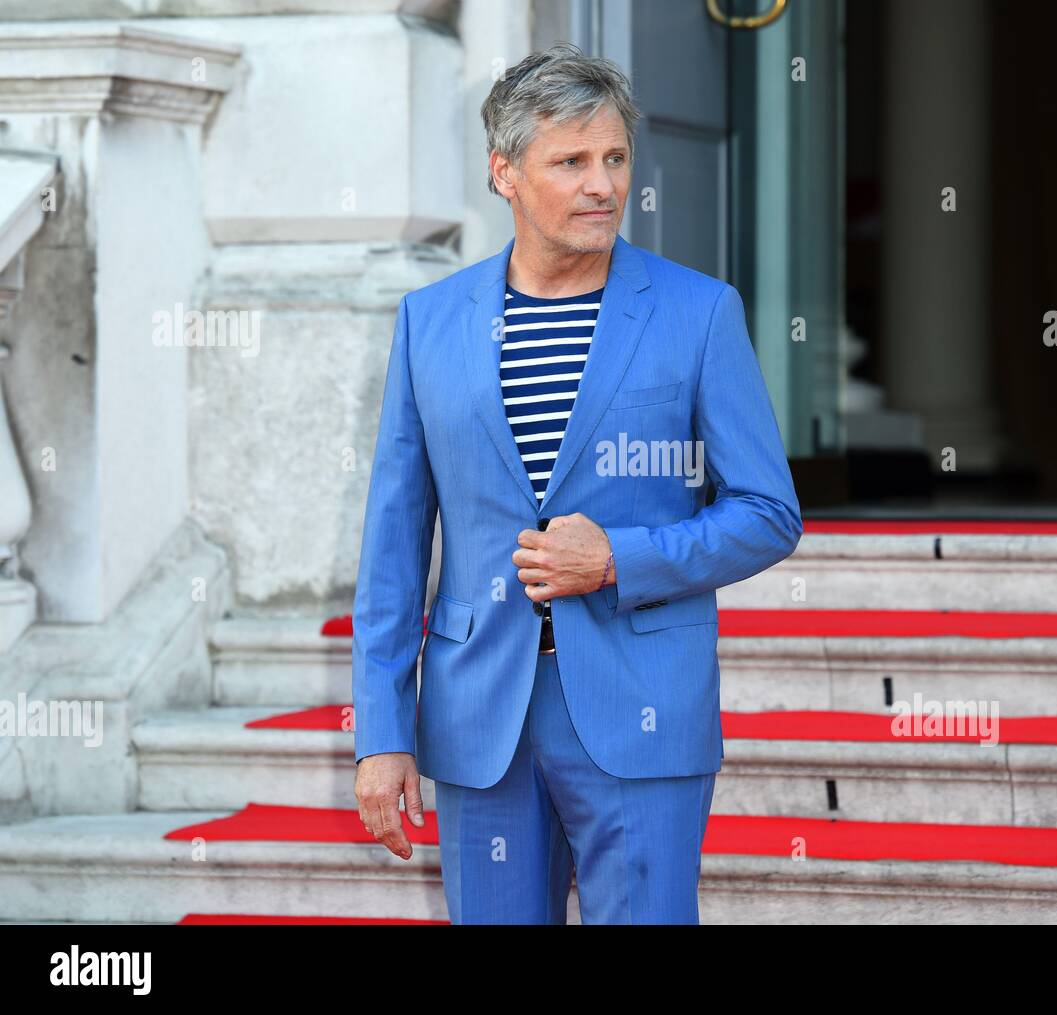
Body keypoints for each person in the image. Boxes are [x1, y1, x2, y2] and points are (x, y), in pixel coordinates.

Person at [351, 42, 801, 924]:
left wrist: (619, 559)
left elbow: (768, 512)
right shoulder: (429, 324)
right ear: (505, 173)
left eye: (615, 158)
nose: (603, 184)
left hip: (643, 704)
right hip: (482, 716)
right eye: (571, 161)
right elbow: (394, 545)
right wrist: (382, 732)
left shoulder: (698, 312)